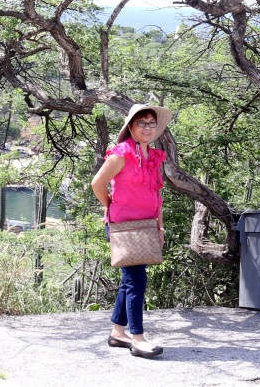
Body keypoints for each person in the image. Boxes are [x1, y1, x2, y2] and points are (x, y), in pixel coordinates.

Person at [90, 103, 173, 359]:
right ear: (131, 127)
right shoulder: (121, 153)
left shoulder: (154, 156)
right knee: (137, 280)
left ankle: (118, 333)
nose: (147, 128)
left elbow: (156, 194)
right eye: (142, 123)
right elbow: (97, 183)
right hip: (124, 227)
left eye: (151, 123)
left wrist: (159, 227)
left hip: (147, 226)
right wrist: (112, 206)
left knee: (130, 281)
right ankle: (138, 338)